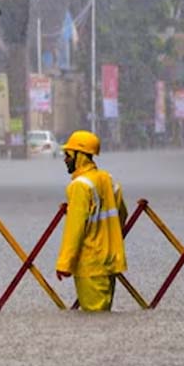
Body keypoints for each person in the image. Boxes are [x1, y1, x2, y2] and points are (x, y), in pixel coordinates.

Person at [54, 130, 128, 312]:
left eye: (68, 155)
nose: (65, 159)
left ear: (80, 156)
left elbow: (75, 229)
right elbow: (122, 215)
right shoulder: (108, 180)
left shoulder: (80, 186)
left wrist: (65, 264)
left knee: (95, 321)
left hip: (90, 264)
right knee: (104, 317)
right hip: (110, 260)